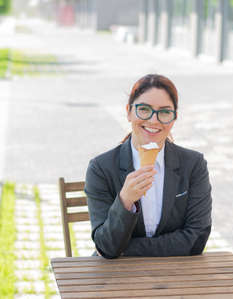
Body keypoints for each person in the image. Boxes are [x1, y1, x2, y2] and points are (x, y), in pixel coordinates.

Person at [85, 74, 212, 258]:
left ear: (174, 118)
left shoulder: (193, 165)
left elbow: (197, 239)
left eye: (165, 112)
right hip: (117, 276)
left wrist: (126, 250)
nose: (154, 120)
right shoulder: (101, 168)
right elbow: (106, 246)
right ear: (129, 112)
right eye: (144, 109)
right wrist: (125, 201)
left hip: (176, 272)